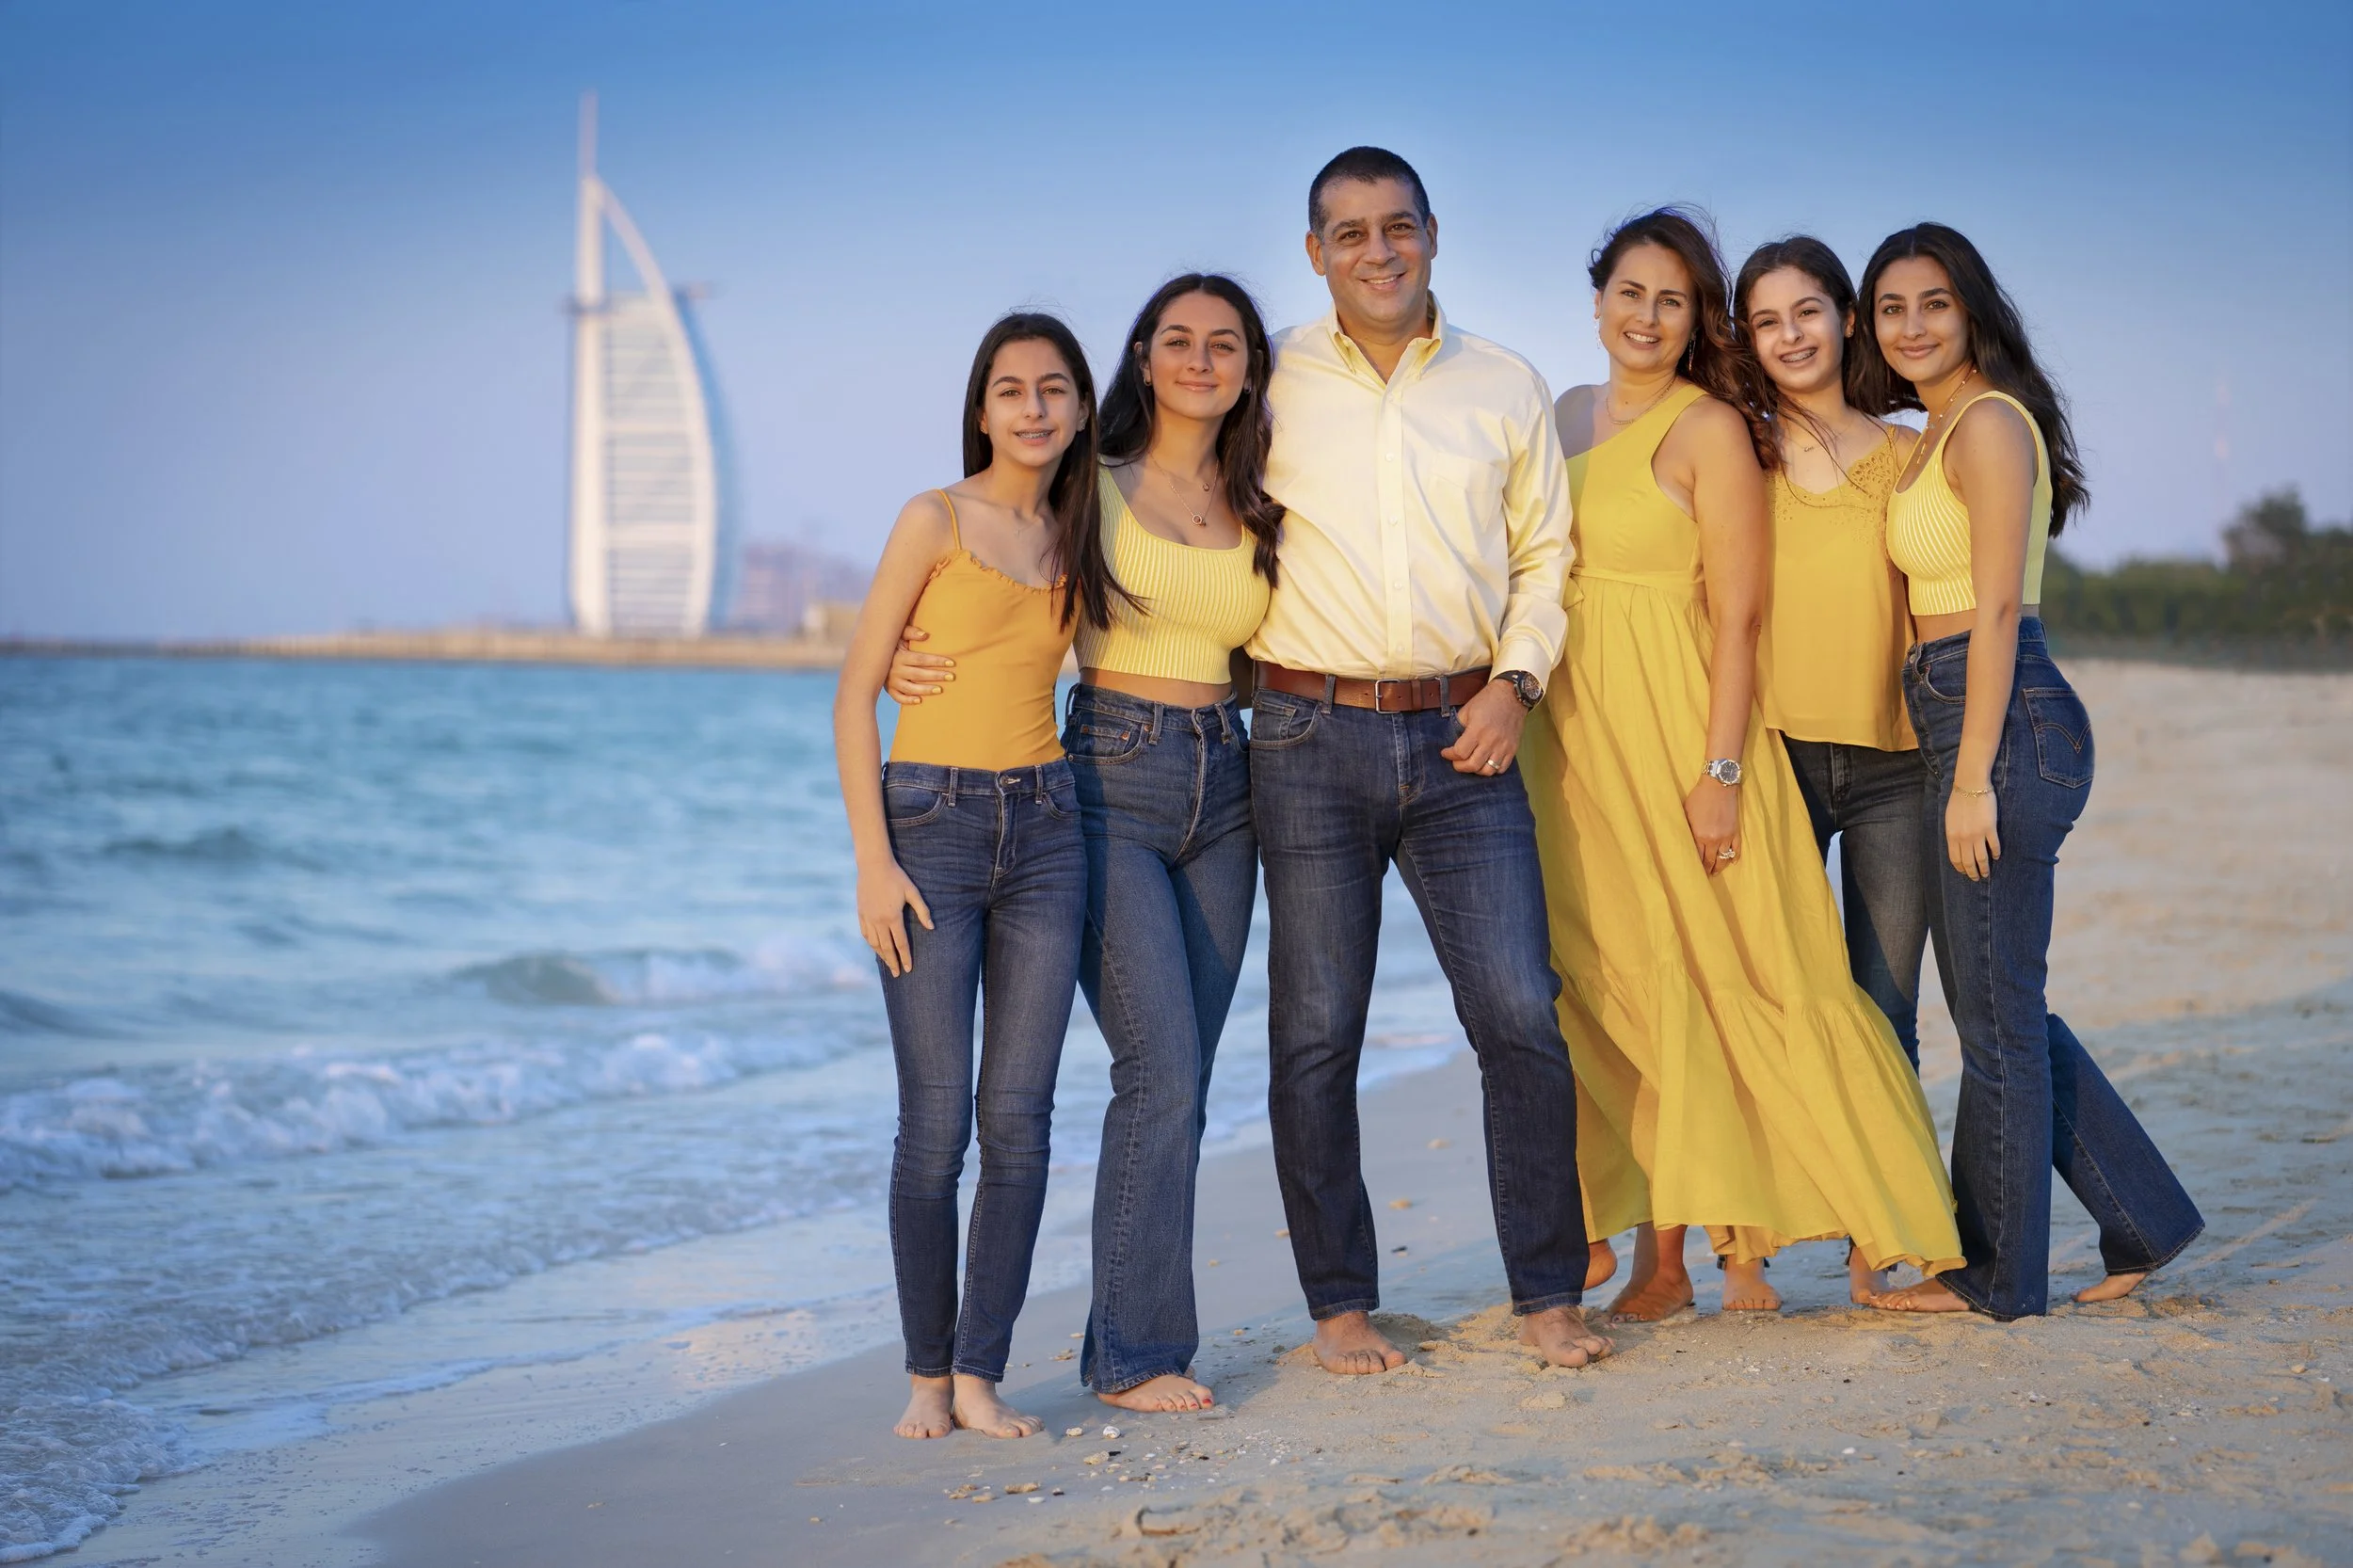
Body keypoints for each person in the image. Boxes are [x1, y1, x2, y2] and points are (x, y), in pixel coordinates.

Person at [1518, 207, 1962, 1322]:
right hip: (1569, 737)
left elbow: (1741, 615)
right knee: (1609, 984)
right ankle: (1651, 1252)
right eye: (1630, 292)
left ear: (1694, 319)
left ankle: (1863, 1225)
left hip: (1676, 727)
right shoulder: (1559, 415)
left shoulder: (1709, 427)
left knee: (1727, 979)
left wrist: (1719, 774)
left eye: (1672, 299)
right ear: (1597, 300)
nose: (1647, 316)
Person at [888, 276, 1283, 1413]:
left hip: (1231, 780)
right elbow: (984, 570)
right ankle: (1134, 1358)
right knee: (1155, 1068)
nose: (1200, 360)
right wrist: (917, 658)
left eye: (1223, 344)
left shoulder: (1261, 498)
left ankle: (1127, 1335)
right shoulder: (1085, 485)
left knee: (1185, 1078)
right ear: (1143, 359)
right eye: (1177, 341)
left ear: (1250, 366)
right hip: (1106, 777)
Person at [1245, 147, 1608, 1373]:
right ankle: (1341, 1306)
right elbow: (1161, 505)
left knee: (1519, 1012)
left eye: (1397, 226)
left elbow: (1546, 557)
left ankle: (1549, 1292)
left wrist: (1518, 684)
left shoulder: (1505, 383)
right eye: (1349, 233)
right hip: (1305, 738)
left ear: (1435, 234)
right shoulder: (1268, 378)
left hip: (1472, 738)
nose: (1378, 250)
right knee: (1316, 1030)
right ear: (1315, 253)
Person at [1852, 223, 2203, 1319]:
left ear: (1972, 313)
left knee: (1996, 1014)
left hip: (1999, 716)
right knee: (2003, 1000)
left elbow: (1996, 605)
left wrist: (1968, 778)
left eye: (1933, 305)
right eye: (1890, 308)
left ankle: (1997, 1274)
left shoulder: (1990, 425)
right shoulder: (1935, 428)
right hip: (1958, 709)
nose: (1910, 326)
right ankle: (2143, 1214)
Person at [831, 312, 1096, 1438]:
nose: (1032, 408)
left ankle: (982, 1374)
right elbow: (853, 694)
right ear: (981, 407)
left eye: (1052, 389)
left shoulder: (1085, 533)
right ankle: (925, 1378)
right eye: (1010, 389)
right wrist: (872, 864)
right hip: (929, 822)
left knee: (1021, 1121)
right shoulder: (932, 517)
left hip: (1048, 830)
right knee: (934, 1122)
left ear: (1081, 405)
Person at [1734, 235, 1930, 1303]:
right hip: (1772, 759)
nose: (1791, 336)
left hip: (1898, 763)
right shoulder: (1740, 454)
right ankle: (1745, 1251)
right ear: (1747, 340)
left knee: (1883, 1005)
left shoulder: (1908, 453)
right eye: (1766, 321)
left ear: (1846, 318)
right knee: (1766, 994)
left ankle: (1875, 1243)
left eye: (1807, 311)